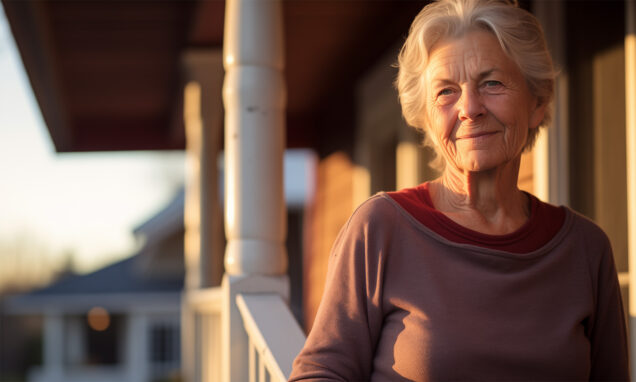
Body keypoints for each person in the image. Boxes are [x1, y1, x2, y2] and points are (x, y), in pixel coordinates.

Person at [289, 0, 630, 380]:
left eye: (491, 83)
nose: (469, 108)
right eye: (446, 92)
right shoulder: (380, 228)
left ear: (538, 101)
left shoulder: (585, 248)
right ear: (428, 119)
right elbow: (321, 371)